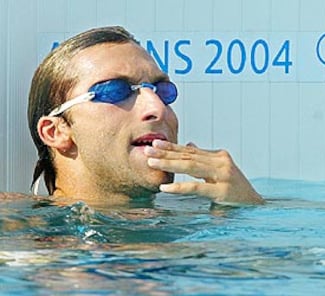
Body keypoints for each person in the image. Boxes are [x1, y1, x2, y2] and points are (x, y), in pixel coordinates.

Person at [26, 26, 264, 207]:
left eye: (163, 91)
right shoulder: (16, 225)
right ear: (55, 132)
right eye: (114, 90)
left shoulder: (201, 215)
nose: (157, 108)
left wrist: (246, 207)